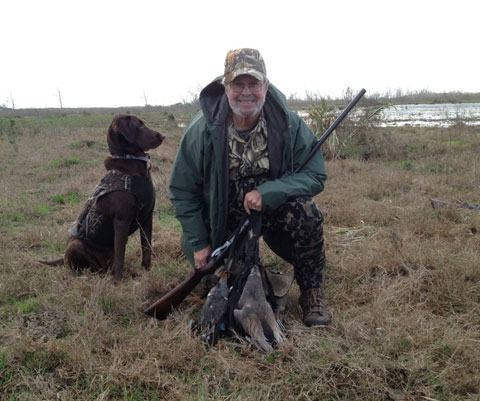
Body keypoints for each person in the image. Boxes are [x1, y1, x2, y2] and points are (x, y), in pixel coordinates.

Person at [169, 48, 329, 326]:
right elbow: (182, 190)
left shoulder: (287, 123)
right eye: (237, 84)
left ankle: (312, 291)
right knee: (226, 292)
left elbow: (315, 175)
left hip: (269, 210)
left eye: (253, 83)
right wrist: (199, 243)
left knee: (306, 212)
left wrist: (270, 193)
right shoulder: (201, 130)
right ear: (225, 87)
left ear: (265, 86)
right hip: (222, 221)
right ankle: (228, 268)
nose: (246, 92)